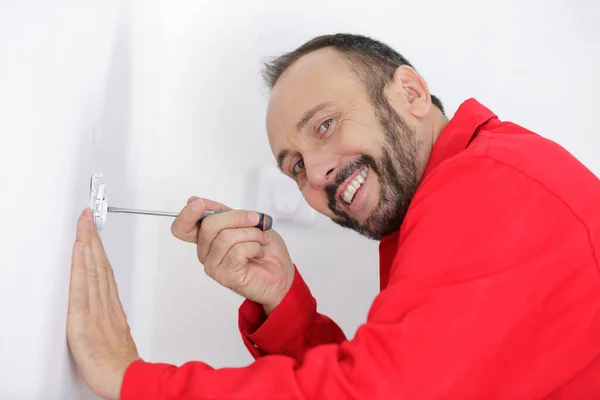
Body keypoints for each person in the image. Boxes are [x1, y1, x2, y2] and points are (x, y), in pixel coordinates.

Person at [66, 33, 600, 399]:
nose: (317, 172)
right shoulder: (460, 188)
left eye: (324, 125)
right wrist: (282, 302)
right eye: (294, 165)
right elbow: (403, 379)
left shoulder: (491, 187)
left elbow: (374, 393)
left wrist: (131, 379)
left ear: (409, 93)